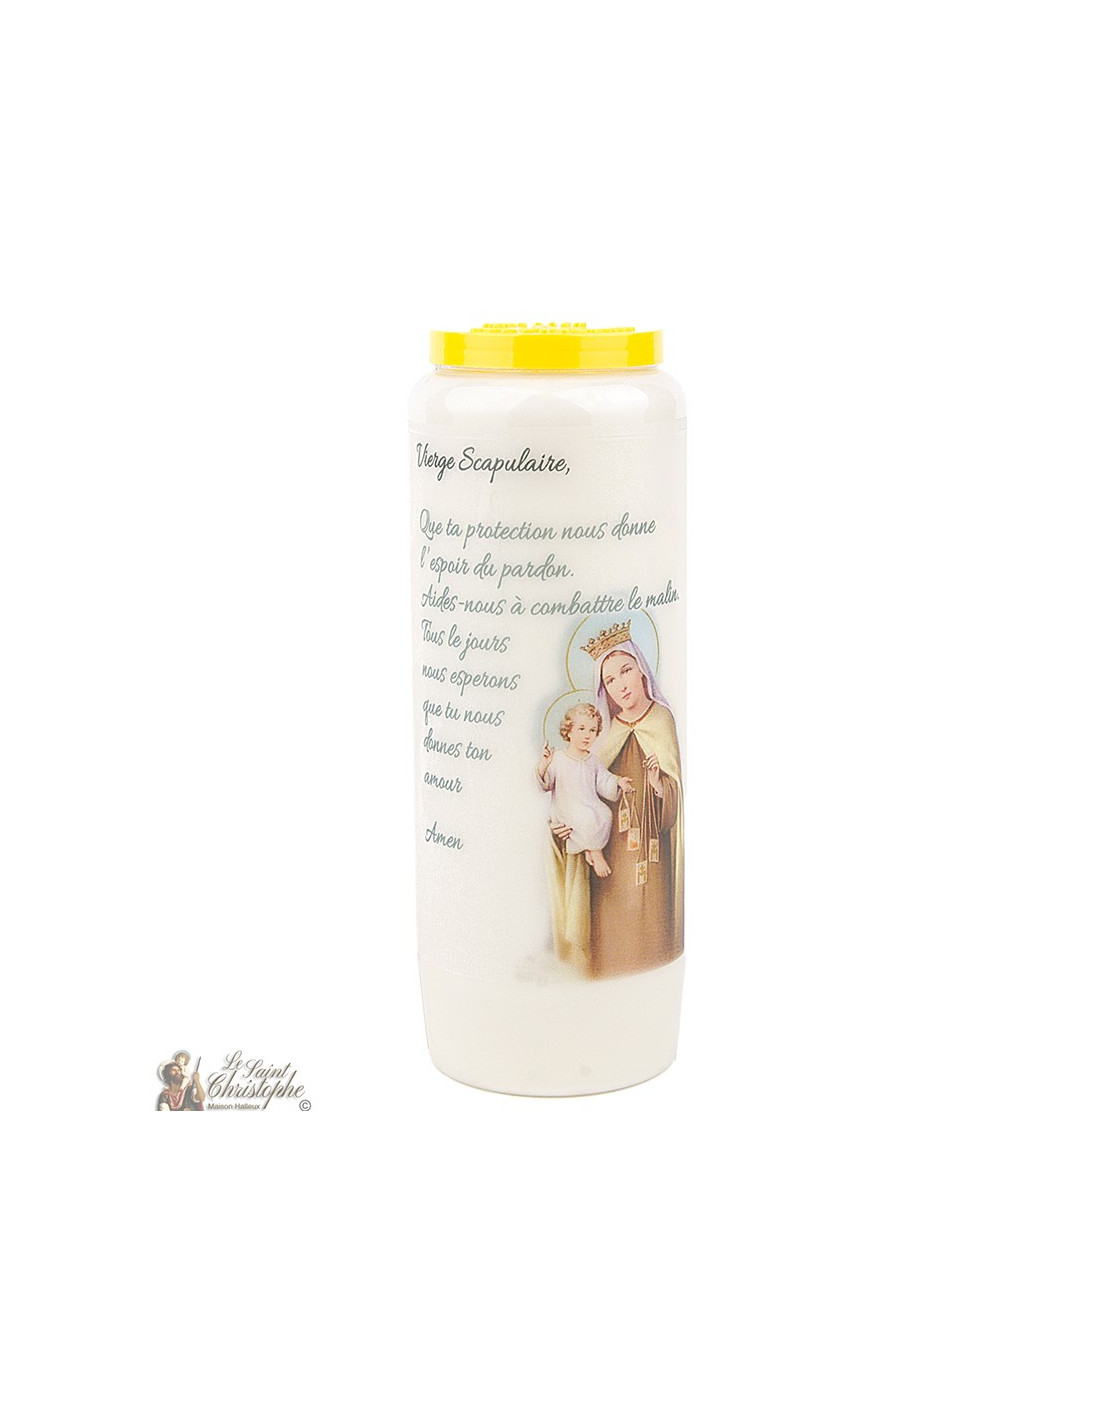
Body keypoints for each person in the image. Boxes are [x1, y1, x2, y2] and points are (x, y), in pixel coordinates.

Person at [546, 623, 683, 978]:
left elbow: (676, 802)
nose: (621, 684)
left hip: (652, 854)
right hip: (611, 858)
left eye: (626, 671)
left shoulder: (661, 721)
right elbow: (577, 789)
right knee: (609, 933)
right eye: (610, 680)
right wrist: (562, 825)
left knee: (649, 933)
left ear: (642, 671)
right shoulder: (605, 735)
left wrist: (658, 784)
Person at [536, 703, 632, 878]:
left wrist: (619, 781)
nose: (587, 735)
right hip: (567, 808)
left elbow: (604, 780)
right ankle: (596, 853)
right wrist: (544, 764)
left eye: (592, 730)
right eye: (581, 729)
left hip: (589, 803)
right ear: (569, 731)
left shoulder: (592, 760)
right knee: (587, 818)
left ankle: (588, 848)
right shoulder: (558, 758)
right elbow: (545, 784)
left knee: (605, 814)